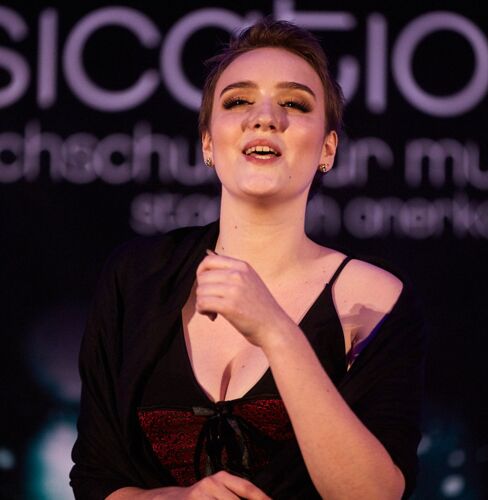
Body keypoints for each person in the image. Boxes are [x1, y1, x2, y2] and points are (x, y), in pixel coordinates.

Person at [70, 18, 426, 500]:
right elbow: (95, 480)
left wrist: (277, 331)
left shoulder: (374, 300)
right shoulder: (136, 278)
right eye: (238, 101)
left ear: (327, 149)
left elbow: (375, 494)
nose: (265, 118)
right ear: (208, 142)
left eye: (294, 104)